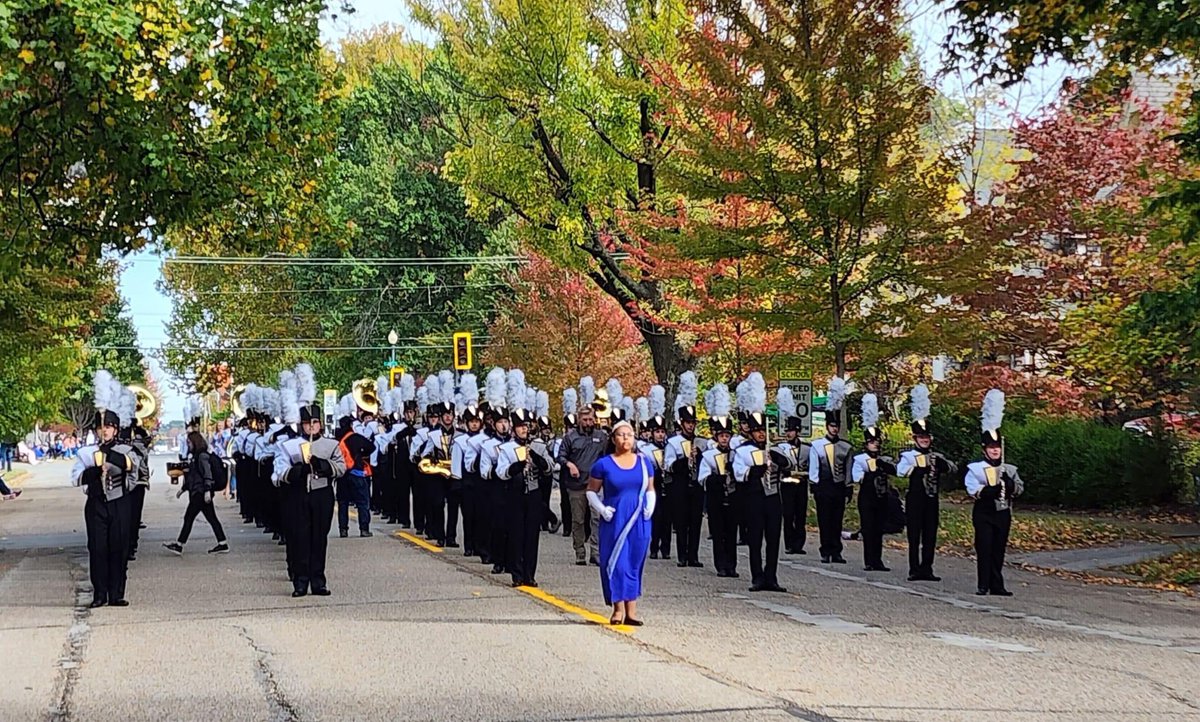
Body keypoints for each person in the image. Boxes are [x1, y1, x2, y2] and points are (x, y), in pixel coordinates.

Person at [71, 370, 138, 608]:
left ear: (116, 430)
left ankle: (116, 594)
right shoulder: (87, 452)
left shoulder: (126, 451)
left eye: (110, 427)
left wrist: (110, 456)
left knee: (118, 548)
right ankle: (99, 594)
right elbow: (76, 478)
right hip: (96, 504)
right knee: (97, 549)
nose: (106, 430)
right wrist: (93, 470)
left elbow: (133, 470)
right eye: (103, 427)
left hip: (120, 503)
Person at [275, 398, 346, 597]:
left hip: (321, 494)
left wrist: (323, 466)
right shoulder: (289, 445)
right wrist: (296, 471)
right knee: (300, 539)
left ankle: (318, 581)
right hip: (298, 495)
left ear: (320, 424)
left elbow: (341, 467)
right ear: (301, 425)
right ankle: (300, 582)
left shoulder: (330, 444)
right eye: (307, 423)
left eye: (314, 422)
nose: (311, 426)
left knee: (319, 539)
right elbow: (279, 472)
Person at [586, 420, 654, 626]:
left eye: (630, 435)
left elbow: (650, 488)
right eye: (621, 435)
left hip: (639, 519)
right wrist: (601, 509)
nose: (626, 438)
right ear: (613, 439)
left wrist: (650, 505)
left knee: (634, 563)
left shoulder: (644, 462)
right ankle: (617, 609)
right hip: (615, 519)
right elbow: (591, 491)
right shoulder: (603, 464)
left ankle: (631, 611)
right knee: (617, 563)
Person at [966, 389, 1024, 597]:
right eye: (991, 448)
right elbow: (973, 489)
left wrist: (1009, 485)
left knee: (999, 549)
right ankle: (983, 584)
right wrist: (988, 490)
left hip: (1003, 512)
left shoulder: (1010, 469)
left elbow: (1019, 489)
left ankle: (997, 584)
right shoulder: (975, 468)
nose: (995, 451)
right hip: (984, 512)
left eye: (997, 448)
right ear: (985, 450)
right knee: (985, 547)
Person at [897, 383, 957, 582]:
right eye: (921, 437)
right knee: (914, 536)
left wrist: (943, 465)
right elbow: (900, 472)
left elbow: (953, 469)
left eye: (927, 437)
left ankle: (927, 568)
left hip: (931, 500)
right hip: (915, 500)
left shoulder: (936, 456)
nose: (925, 440)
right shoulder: (909, 456)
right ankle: (914, 569)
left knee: (930, 535)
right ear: (915, 438)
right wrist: (916, 469)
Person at [733, 373, 787, 592]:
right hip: (754, 499)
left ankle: (771, 576)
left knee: (773, 540)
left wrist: (777, 460)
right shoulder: (743, 451)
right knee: (755, 540)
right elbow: (739, 473)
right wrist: (756, 470)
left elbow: (788, 465)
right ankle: (757, 577)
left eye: (762, 431)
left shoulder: (774, 450)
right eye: (757, 431)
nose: (760, 435)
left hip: (773, 498)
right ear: (752, 433)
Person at [496, 407, 551, 587]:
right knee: (516, 535)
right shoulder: (506, 449)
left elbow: (550, 467)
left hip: (533, 495)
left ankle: (530, 574)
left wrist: (537, 459)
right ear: (514, 429)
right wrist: (517, 466)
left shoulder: (538, 446)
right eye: (520, 426)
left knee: (532, 536)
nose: (524, 430)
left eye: (526, 426)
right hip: (515, 495)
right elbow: (501, 472)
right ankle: (517, 574)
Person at [556, 405, 608, 566]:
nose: (588, 422)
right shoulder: (570, 438)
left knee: (597, 518)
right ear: (579, 420)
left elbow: (608, 456)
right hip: (576, 485)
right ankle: (579, 551)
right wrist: (569, 464)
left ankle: (596, 552)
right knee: (578, 520)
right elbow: (560, 456)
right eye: (584, 419)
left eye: (590, 419)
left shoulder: (602, 437)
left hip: (595, 484)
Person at [163, 432, 230, 556]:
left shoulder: (202, 456)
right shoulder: (195, 456)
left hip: (200, 492)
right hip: (199, 491)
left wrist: (207, 490)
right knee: (211, 518)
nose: (188, 445)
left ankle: (179, 544)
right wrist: (184, 488)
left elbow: (207, 474)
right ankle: (222, 543)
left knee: (189, 517)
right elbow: (194, 476)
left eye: (189, 442)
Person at [809, 376, 853, 564]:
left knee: (837, 520)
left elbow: (848, 468)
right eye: (832, 426)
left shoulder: (846, 447)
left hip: (838, 487)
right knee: (824, 520)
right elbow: (814, 467)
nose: (834, 429)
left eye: (837, 426)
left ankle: (836, 550)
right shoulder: (817, 446)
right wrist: (814, 485)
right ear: (827, 426)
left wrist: (848, 486)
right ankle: (825, 549)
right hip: (823, 487)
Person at [665, 372, 706, 569]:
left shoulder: (701, 442)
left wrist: (699, 456)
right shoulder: (673, 442)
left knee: (695, 521)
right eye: (688, 422)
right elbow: (669, 466)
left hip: (696, 485)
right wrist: (685, 459)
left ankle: (694, 555)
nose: (691, 426)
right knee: (681, 521)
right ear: (682, 423)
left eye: (693, 423)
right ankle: (682, 554)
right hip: (680, 485)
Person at [850, 394, 894, 572]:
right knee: (868, 528)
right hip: (867, 497)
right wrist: (872, 473)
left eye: (877, 442)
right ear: (866, 444)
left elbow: (894, 471)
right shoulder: (860, 459)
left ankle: (879, 560)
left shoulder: (884, 459)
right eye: (871, 442)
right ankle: (869, 560)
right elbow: (856, 477)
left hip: (881, 497)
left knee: (879, 529)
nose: (875, 445)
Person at [700, 383, 738, 577]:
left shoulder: (735, 454)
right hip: (716, 498)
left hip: (732, 498)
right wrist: (716, 478)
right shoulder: (708, 456)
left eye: (727, 435)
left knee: (732, 532)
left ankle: (732, 565)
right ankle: (720, 565)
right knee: (718, 532)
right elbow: (703, 479)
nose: (725, 439)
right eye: (722, 435)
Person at [775, 388, 810, 555]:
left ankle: (799, 544)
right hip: (787, 484)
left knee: (800, 515)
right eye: (787, 430)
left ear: (797, 431)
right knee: (788, 515)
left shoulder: (807, 449)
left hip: (801, 484)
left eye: (791, 430)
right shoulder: (781, 448)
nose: (788, 433)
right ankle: (789, 543)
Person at [335, 395, 375, 539]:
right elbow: (371, 447)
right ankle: (364, 529)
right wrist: (361, 454)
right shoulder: (356, 437)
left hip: (342, 475)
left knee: (343, 503)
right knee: (363, 502)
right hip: (357, 473)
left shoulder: (337, 440)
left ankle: (343, 530)